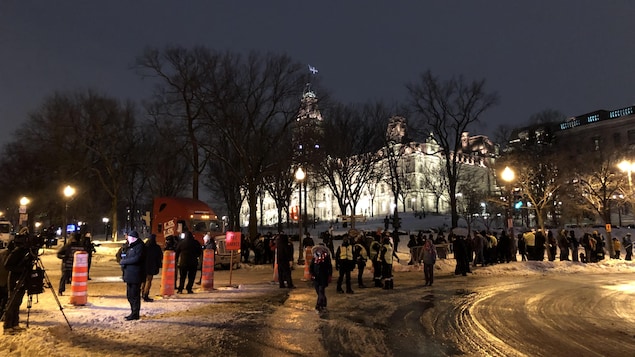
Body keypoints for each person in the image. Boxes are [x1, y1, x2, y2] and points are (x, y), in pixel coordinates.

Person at [3, 237, 31, 334]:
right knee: (12, 301)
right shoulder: (16, 252)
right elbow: (7, 265)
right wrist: (21, 269)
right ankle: (7, 325)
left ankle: (15, 323)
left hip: (22, 278)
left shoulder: (26, 251)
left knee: (18, 302)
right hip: (14, 279)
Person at [119, 230, 146, 320]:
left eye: (130, 238)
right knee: (130, 295)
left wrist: (124, 261)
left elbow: (137, 258)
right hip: (129, 274)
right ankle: (133, 312)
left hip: (136, 275)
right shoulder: (129, 246)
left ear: (134, 238)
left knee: (134, 295)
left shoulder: (140, 246)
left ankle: (135, 313)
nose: (128, 239)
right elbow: (124, 256)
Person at [310, 243, 332, 313]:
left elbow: (329, 267)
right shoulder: (315, 257)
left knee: (321, 292)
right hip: (316, 277)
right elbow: (311, 266)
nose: (319, 250)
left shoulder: (326, 257)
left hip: (323, 277)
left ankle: (318, 306)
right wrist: (312, 274)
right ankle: (324, 304)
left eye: (321, 249)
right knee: (319, 292)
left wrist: (329, 275)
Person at [142, 234, 163, 302]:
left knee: (143, 281)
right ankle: (145, 294)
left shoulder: (144, 246)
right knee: (148, 281)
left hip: (143, 266)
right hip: (152, 266)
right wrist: (158, 265)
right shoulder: (156, 247)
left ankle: (142, 293)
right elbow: (160, 257)